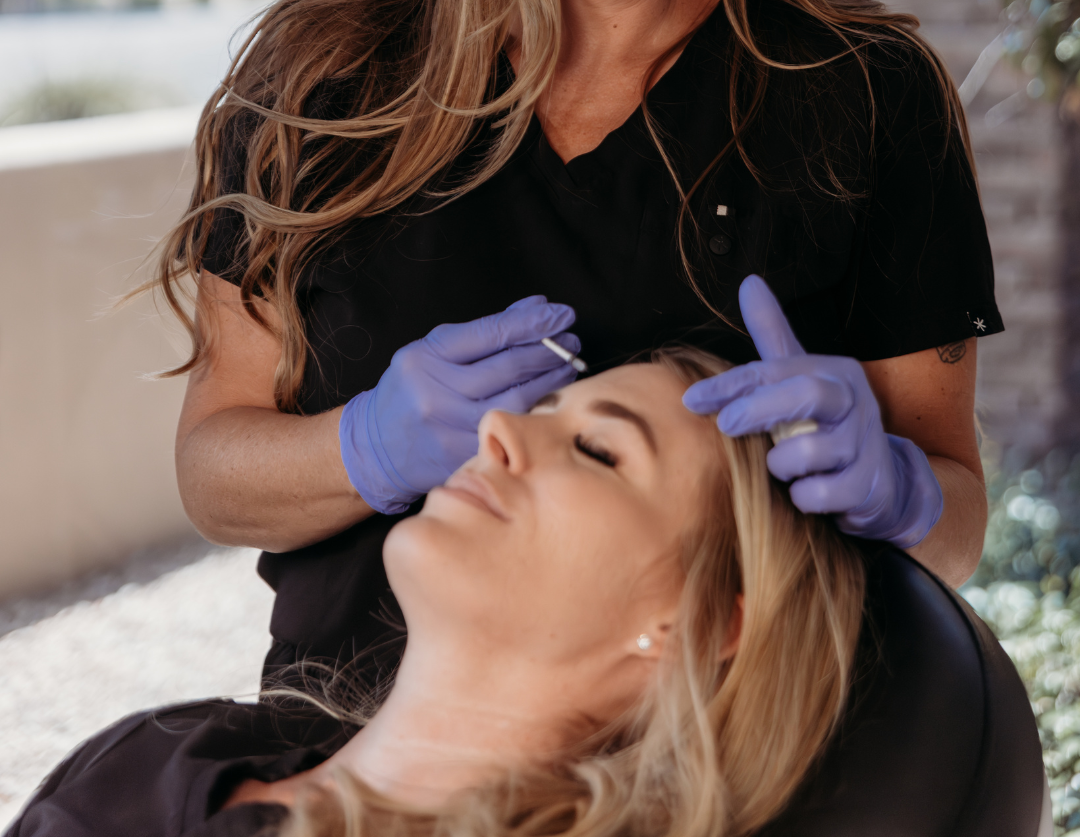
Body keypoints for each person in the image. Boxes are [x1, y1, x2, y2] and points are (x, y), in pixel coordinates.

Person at [160, 0, 1000, 679]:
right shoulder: (329, 71)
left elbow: (954, 532)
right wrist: (362, 447)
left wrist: (897, 492)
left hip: (717, 778)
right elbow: (213, 474)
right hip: (352, 753)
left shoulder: (866, 95)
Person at [9, 349, 867, 837]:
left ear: (699, 624)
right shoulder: (181, 744)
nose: (499, 424)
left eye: (600, 451)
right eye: (548, 407)